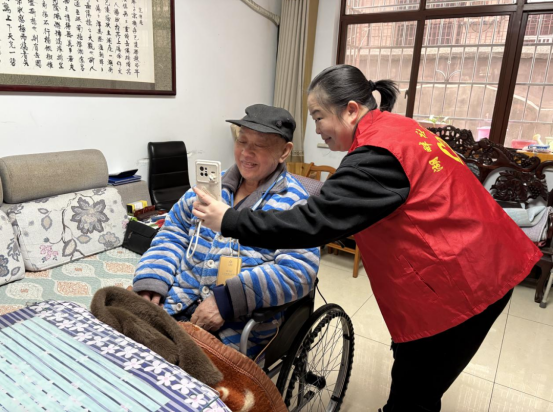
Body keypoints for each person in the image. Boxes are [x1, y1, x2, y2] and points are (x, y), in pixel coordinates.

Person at [192, 65, 542, 411]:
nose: (317, 130)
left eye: (318, 117)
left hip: (467, 278)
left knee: (414, 391)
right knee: (415, 374)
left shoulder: (378, 154)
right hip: (484, 254)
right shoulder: (399, 128)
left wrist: (230, 220)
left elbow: (316, 221)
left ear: (350, 110)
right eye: (242, 142)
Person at [133, 104, 320, 358]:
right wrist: (153, 279)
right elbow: (174, 230)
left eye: (259, 145)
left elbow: (298, 271)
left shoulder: (296, 205)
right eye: (242, 141)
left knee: (176, 372)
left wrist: (227, 301)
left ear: (284, 151)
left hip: (233, 329)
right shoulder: (212, 186)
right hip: (177, 302)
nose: (246, 153)